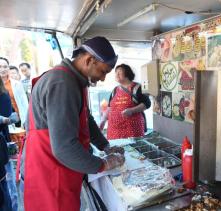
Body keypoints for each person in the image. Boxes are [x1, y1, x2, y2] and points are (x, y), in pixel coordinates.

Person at [19, 36, 125, 211]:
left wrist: (105, 145)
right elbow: (64, 147)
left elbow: (86, 119)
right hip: (49, 172)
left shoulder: (75, 80)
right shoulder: (62, 83)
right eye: (103, 71)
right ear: (89, 60)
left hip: (60, 167)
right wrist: (103, 164)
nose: (104, 79)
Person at [101, 64, 151, 140]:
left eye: (119, 72)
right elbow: (109, 107)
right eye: (116, 73)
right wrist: (103, 121)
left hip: (132, 130)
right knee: (116, 150)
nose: (116, 75)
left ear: (127, 73)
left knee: (133, 150)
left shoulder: (137, 88)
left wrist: (131, 110)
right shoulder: (115, 90)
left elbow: (147, 103)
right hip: (114, 131)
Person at [0, 78, 19, 211]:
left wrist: (4, 119)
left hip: (3, 143)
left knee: (7, 182)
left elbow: (9, 118)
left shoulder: (3, 96)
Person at [0, 57, 28, 127]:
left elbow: (24, 103)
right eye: (0, 67)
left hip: (17, 120)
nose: (2, 69)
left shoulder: (17, 84)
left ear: (8, 68)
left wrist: (27, 120)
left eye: (5, 66)